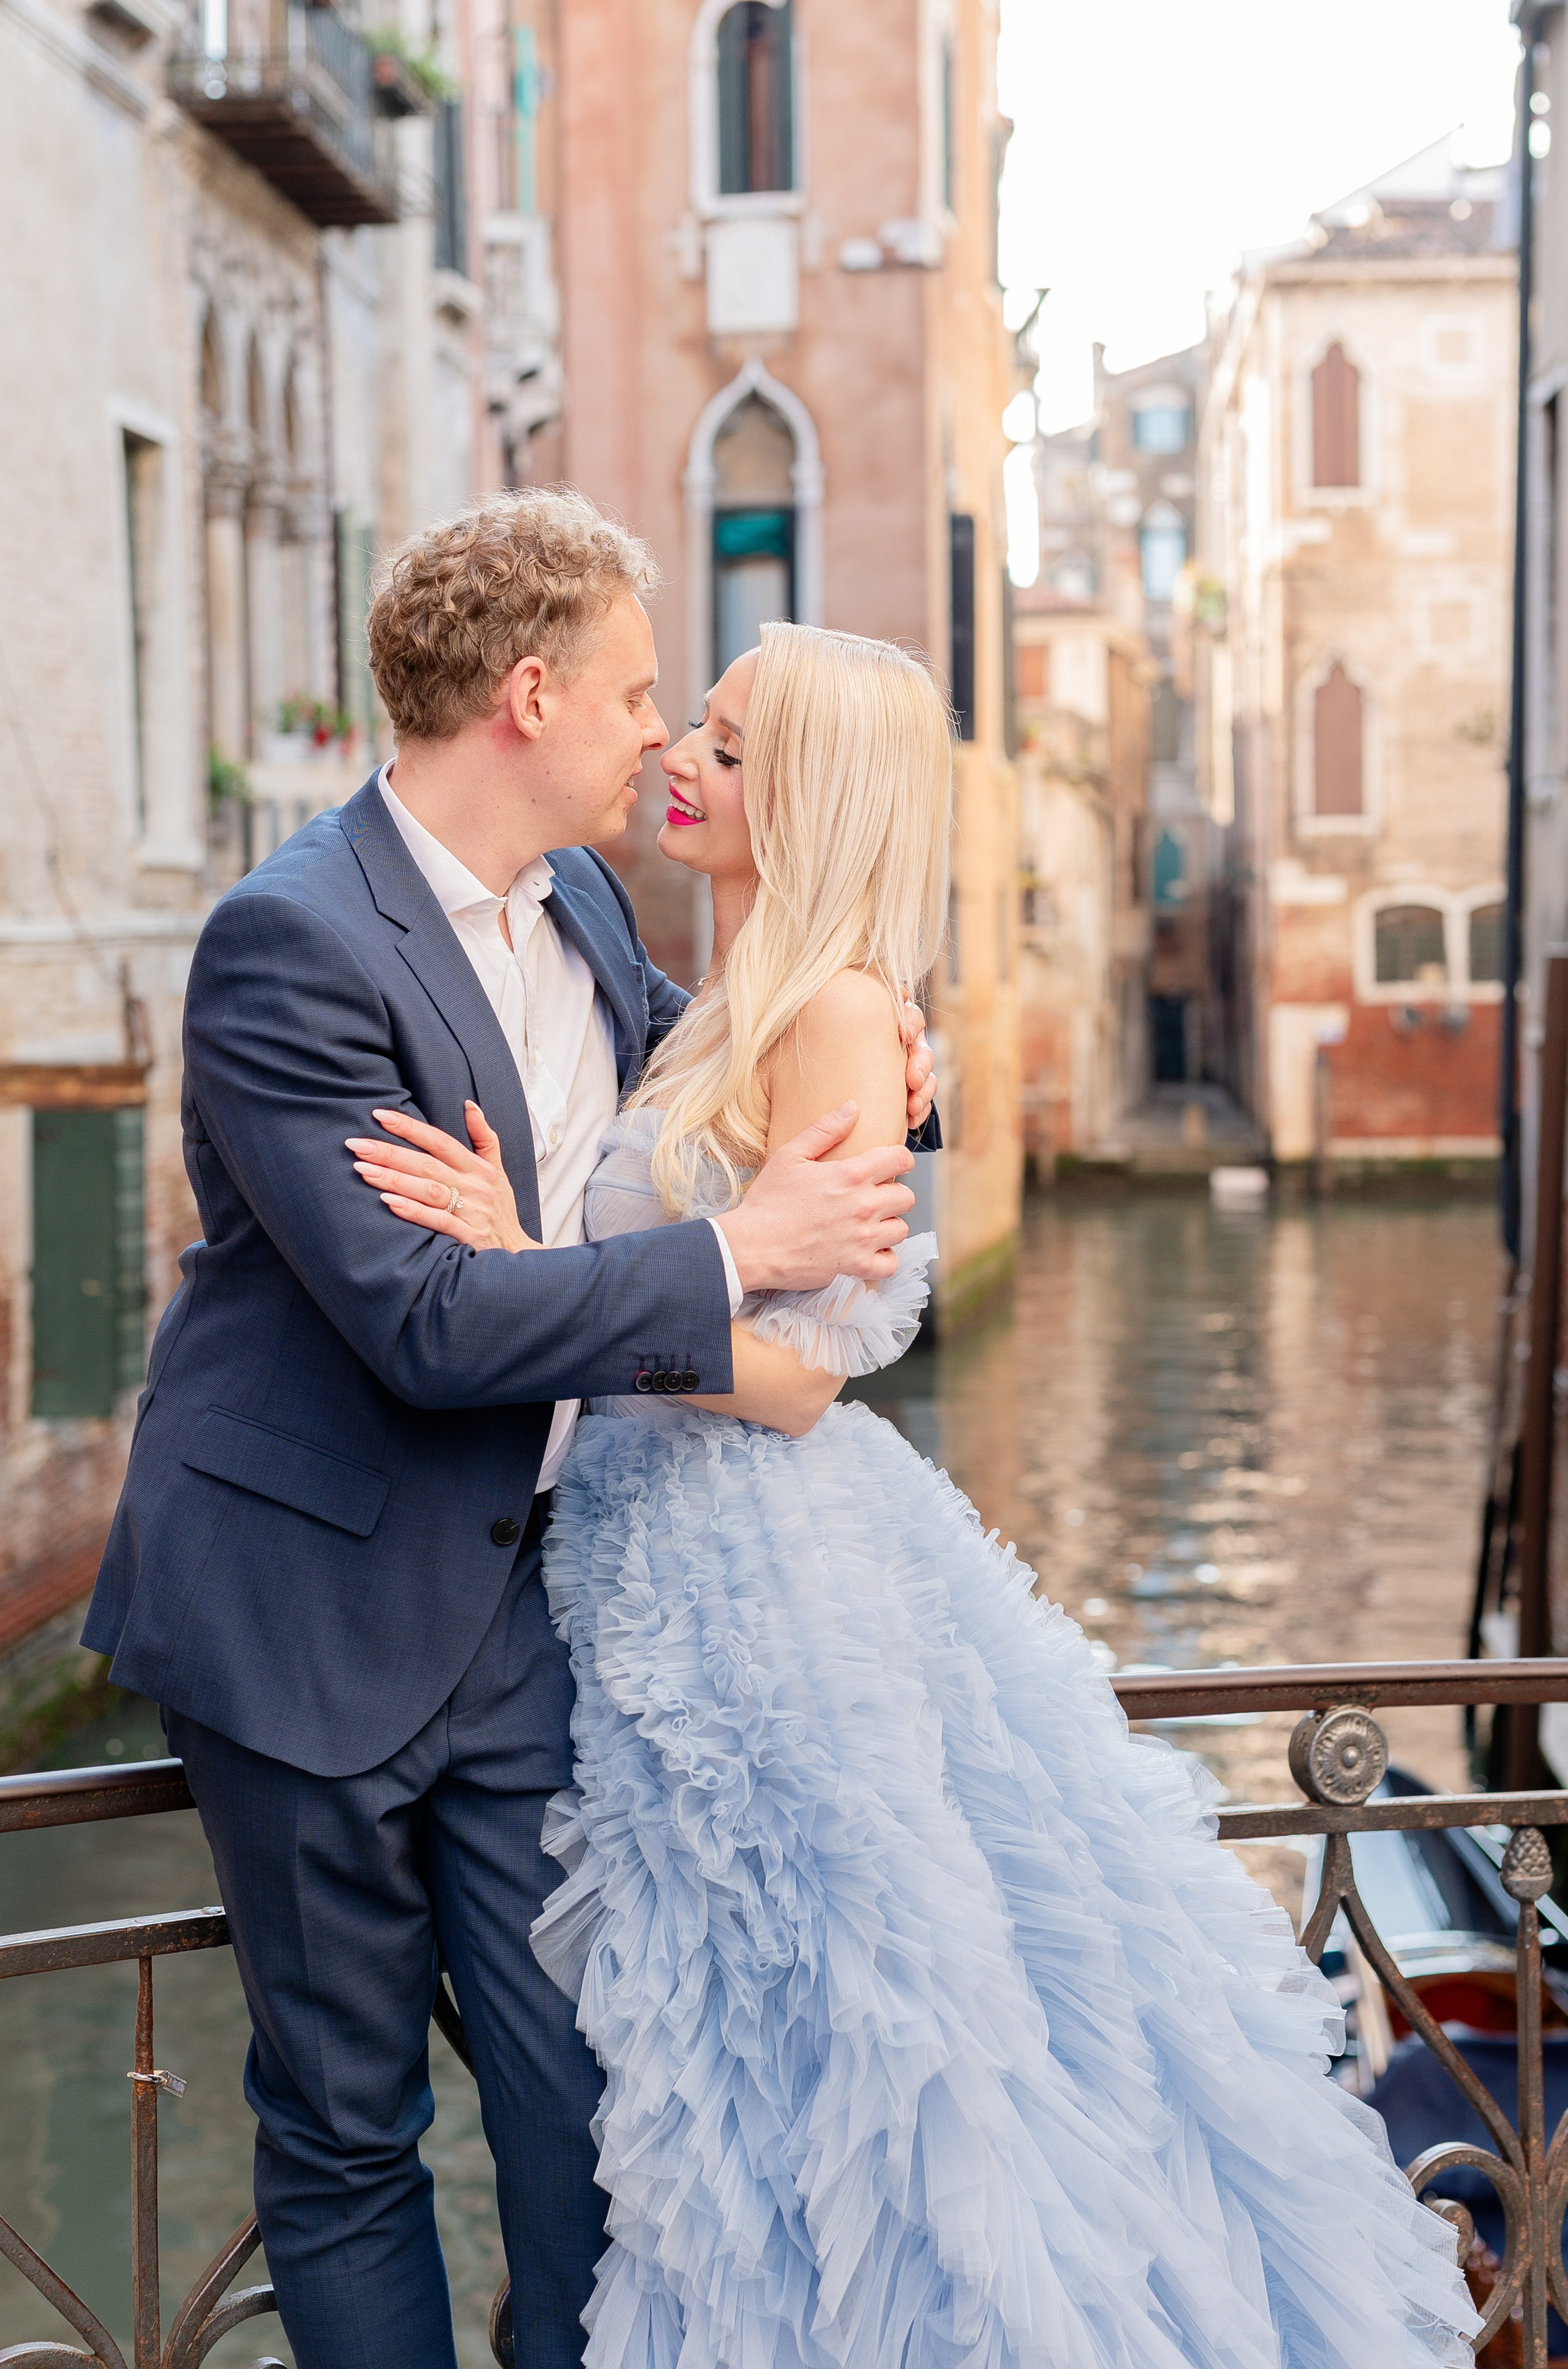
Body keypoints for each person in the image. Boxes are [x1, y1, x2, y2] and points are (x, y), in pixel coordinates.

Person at [356, 622, 1479, 2369]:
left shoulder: (820, 1009)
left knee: (861, 2037)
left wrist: (519, 1260)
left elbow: (802, 1372)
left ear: (801, 792)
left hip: (752, 1570)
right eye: (694, 728)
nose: (680, 758)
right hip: (652, 1565)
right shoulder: (734, 991)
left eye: (722, 747)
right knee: (737, 2054)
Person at [81, 490, 940, 2369]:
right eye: (642, 694)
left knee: (594, 2107)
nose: (664, 732)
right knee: (346, 2126)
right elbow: (426, 1321)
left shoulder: (585, 908)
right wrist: (743, 1252)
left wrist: (883, 1070)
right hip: (296, 1606)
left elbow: (694, 1105)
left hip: (533, 1617)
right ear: (531, 696)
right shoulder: (288, 943)